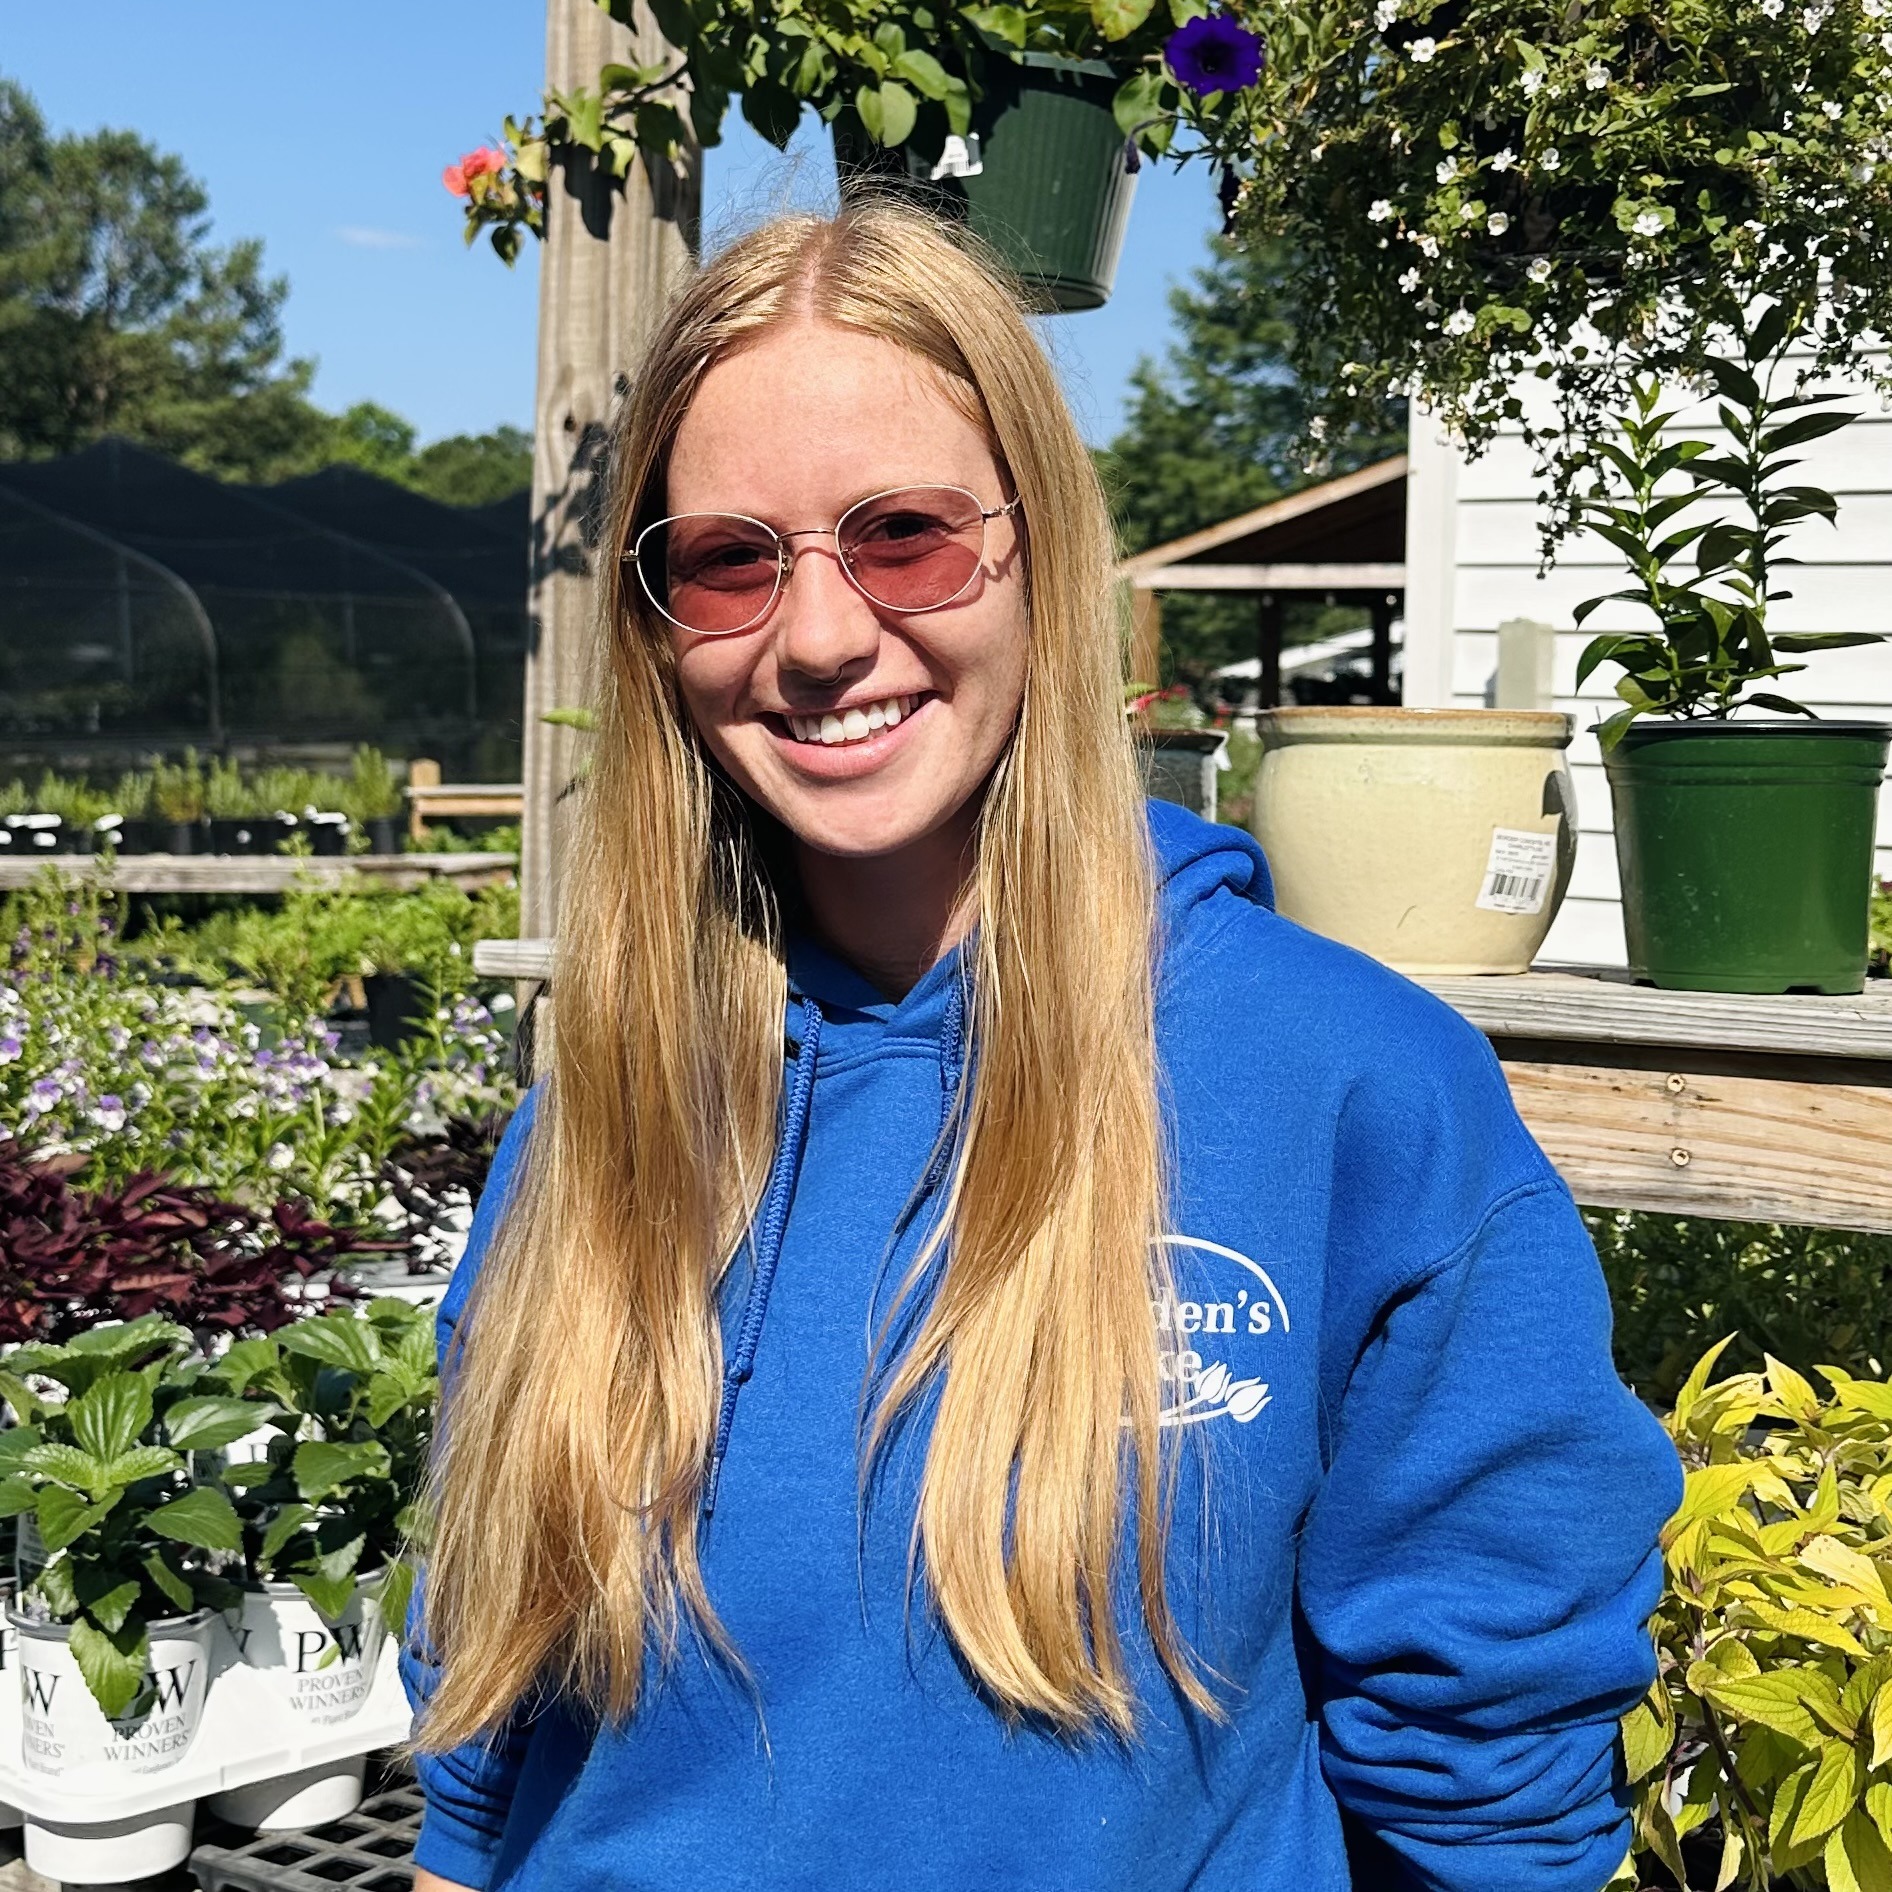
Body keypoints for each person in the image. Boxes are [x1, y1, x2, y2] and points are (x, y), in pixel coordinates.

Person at [402, 201, 1681, 1892]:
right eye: (728, 559)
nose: (818, 637)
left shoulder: (1347, 1094)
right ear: (655, 622)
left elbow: (1490, 1803)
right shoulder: (606, 1113)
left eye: (905, 536)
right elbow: (479, 1772)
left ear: (1042, 550)